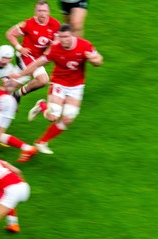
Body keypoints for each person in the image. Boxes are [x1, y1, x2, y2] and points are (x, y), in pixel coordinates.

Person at [9, 24, 103, 159]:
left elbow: (99, 60)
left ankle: (42, 142)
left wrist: (95, 61)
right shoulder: (55, 49)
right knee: (53, 117)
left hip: (76, 86)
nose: (63, 40)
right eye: (61, 37)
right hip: (59, 83)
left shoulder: (85, 46)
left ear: (72, 35)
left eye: (66, 37)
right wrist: (20, 75)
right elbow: (37, 64)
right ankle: (42, 106)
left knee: (68, 118)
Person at [6, 0, 60, 102]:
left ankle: (15, 94)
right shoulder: (28, 23)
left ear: (48, 11)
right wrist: (20, 48)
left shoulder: (55, 24)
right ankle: (15, 95)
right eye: (39, 11)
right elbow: (10, 34)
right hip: (27, 56)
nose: (42, 13)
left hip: (39, 59)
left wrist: (50, 49)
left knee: (10, 85)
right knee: (43, 80)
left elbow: (57, 41)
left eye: (44, 11)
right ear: (35, 11)